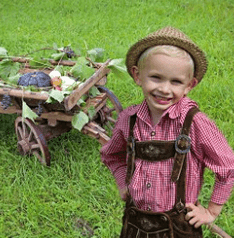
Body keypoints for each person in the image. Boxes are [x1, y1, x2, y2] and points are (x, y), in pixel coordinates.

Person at [100, 26, 234, 237]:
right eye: (156, 77)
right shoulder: (129, 119)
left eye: (176, 81)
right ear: (137, 75)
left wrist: (211, 211)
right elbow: (112, 155)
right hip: (135, 222)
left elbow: (227, 167)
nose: (164, 89)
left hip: (180, 226)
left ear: (189, 85)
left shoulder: (195, 123)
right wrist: (122, 184)